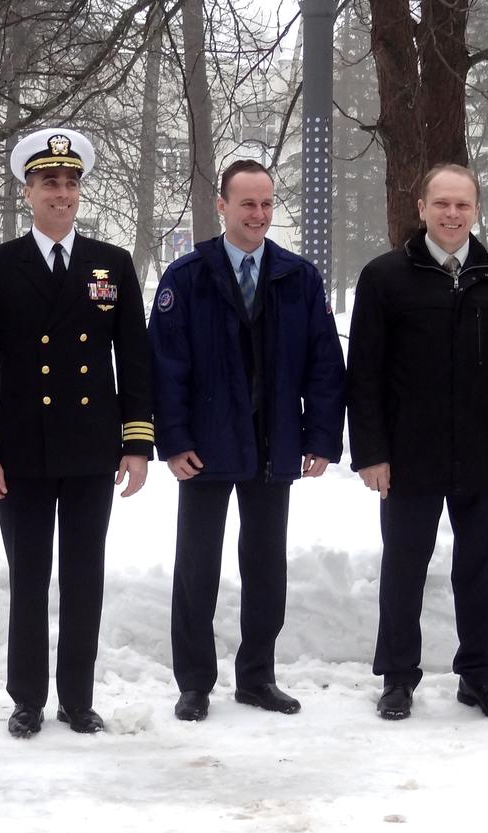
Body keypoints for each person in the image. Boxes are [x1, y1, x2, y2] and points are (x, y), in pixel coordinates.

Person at [0, 128, 153, 738]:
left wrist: (137, 442)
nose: (61, 194)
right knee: (29, 578)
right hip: (20, 450)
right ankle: (27, 698)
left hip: (92, 447)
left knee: (84, 576)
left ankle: (77, 697)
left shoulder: (112, 264)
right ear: (27, 192)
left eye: (70, 184)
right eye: (49, 183)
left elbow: (136, 358)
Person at [149, 159, 345, 722]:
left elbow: (324, 365)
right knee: (196, 569)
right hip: (204, 449)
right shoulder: (187, 278)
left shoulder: (297, 277)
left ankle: (257, 677)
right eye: (247, 204)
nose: (258, 215)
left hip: (273, 445)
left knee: (266, 568)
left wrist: (321, 437)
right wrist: (173, 440)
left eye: (266, 204)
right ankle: (194, 683)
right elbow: (166, 367)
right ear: (222, 206)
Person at [347, 163, 488, 722]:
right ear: (422, 209)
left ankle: (479, 677)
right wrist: (372, 453)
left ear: (476, 209)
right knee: (404, 568)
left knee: (481, 569)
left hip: (486, 452)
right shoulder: (385, 278)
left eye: (462, 205)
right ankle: (398, 677)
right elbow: (364, 374)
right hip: (409, 454)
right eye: (442, 204)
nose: (452, 214)